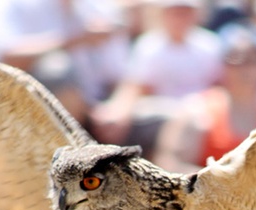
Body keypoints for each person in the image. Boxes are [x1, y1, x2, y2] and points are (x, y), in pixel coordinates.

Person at [90, 0, 222, 150]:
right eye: (175, 12)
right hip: (161, 114)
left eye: (185, 12)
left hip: (202, 115)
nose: (179, 18)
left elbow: (219, 88)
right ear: (164, 14)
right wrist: (118, 112)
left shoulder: (210, 45)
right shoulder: (149, 45)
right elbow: (135, 86)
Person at [0, 0, 130, 124]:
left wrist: (117, 109)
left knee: (150, 124)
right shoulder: (11, 3)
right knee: (57, 69)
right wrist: (75, 39)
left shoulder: (100, 8)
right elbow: (5, 57)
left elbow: (126, 77)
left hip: (99, 111)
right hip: (28, 113)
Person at [154, 23, 256, 173]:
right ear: (223, 65)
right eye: (236, 60)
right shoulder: (198, 109)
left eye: (253, 60)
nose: (245, 69)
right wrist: (220, 183)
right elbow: (168, 164)